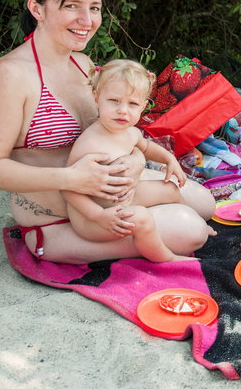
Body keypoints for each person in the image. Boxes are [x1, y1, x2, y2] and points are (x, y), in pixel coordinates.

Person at [0, 0, 215, 264]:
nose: (86, 20)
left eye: (95, 8)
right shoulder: (9, 75)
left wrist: (137, 160)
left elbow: (116, 133)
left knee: (205, 204)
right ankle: (59, 242)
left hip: (111, 193)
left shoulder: (83, 65)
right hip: (60, 217)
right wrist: (71, 179)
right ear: (37, 9)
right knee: (192, 229)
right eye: (71, 6)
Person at [62, 59, 202, 262]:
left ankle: (195, 221)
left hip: (122, 197)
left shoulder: (130, 131)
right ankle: (165, 257)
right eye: (114, 101)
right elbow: (68, 189)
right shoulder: (90, 144)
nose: (123, 110)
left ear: (143, 106)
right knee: (141, 218)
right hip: (92, 218)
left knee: (170, 189)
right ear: (96, 97)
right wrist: (98, 216)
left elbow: (146, 147)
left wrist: (169, 158)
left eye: (133, 104)